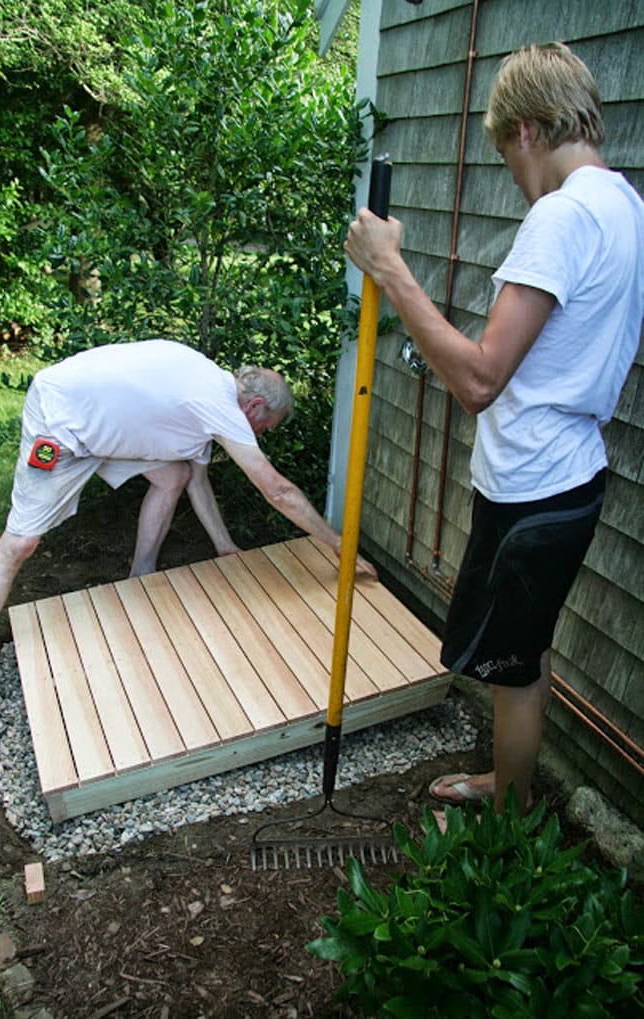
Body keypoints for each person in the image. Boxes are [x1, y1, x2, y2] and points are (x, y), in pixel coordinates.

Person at [344, 42, 643, 819]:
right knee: (524, 652)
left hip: (534, 485)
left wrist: (390, 270)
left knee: (510, 666)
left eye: (506, 153)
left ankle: (507, 834)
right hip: (570, 471)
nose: (511, 174)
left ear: (528, 132)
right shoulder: (624, 204)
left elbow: (480, 378)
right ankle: (506, 786)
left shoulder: (562, 215)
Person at [0, 339, 376, 739]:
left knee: (173, 475)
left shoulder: (206, 393)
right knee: (20, 544)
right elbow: (278, 491)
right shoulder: (214, 402)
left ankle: (139, 576)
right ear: (252, 406)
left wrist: (224, 546)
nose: (259, 436)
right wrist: (337, 545)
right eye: (263, 428)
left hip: (99, 427)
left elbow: (197, 481)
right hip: (60, 421)